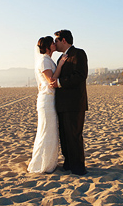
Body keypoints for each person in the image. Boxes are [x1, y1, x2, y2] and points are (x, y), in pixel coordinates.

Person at [28, 36, 67, 173]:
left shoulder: (47, 60)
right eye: (52, 43)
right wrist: (61, 65)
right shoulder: (44, 60)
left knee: (50, 131)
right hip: (47, 100)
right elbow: (51, 81)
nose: (54, 44)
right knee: (46, 130)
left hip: (50, 99)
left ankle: (48, 162)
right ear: (46, 47)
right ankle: (41, 164)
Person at [52, 29, 88, 175]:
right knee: (64, 135)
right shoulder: (60, 58)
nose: (54, 44)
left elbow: (80, 75)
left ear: (64, 40)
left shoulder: (79, 53)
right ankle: (68, 163)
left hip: (74, 103)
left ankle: (78, 167)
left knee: (74, 135)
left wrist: (60, 82)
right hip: (62, 104)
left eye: (56, 41)